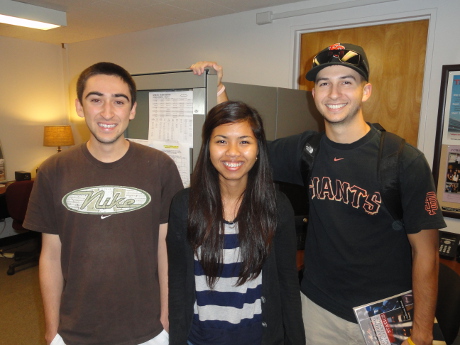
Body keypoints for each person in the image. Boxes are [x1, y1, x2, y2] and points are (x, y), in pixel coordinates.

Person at [264, 43, 446, 345]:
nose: (334, 93)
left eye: (346, 82)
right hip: (319, 309)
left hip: (387, 316)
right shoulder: (306, 150)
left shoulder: (403, 160)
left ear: (366, 91)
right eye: (324, 83)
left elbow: (426, 254)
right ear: (314, 94)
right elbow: (242, 150)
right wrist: (217, 92)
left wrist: (423, 332)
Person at [23, 62, 185, 345]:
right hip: (73, 330)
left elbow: (166, 247)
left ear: (132, 109)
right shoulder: (52, 171)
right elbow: (50, 255)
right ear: (79, 106)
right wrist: (51, 330)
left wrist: (167, 314)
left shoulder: (160, 167)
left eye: (119, 101)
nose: (107, 112)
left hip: (148, 329)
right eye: (96, 100)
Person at [167, 101, 305, 345]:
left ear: (258, 148)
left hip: (257, 338)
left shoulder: (277, 206)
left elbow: (287, 286)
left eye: (244, 141)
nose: (232, 152)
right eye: (221, 141)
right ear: (208, 147)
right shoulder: (184, 205)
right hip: (198, 339)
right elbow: (178, 285)